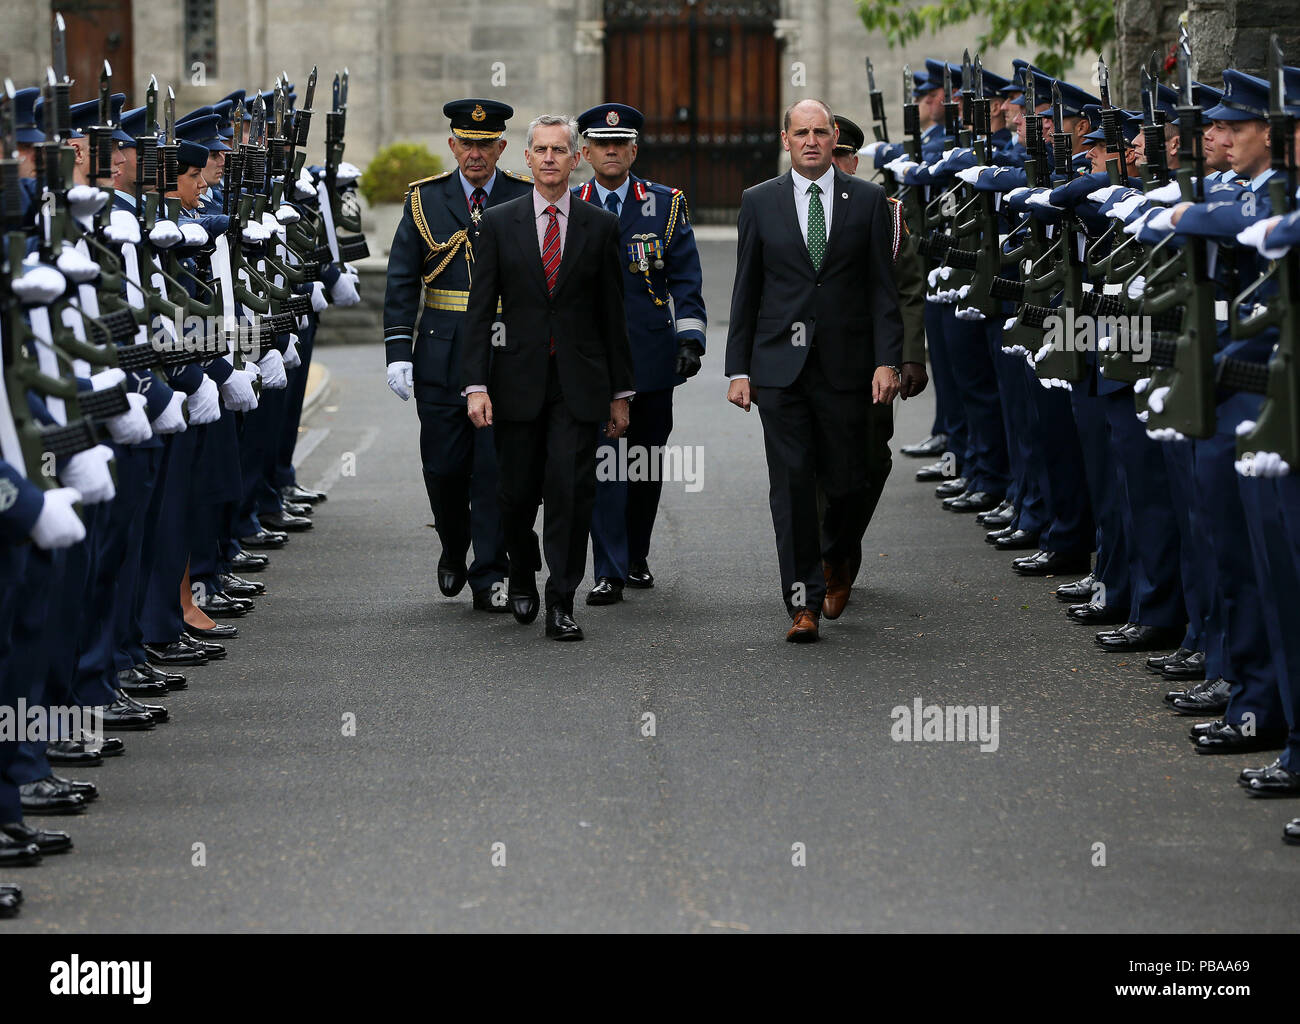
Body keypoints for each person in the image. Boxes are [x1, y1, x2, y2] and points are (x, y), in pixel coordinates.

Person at [724, 98, 903, 642]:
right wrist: (738, 369)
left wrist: (886, 359)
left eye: (820, 132)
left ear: (833, 140)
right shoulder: (760, 202)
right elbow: (746, 289)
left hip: (847, 368)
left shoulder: (869, 202)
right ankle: (801, 603)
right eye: (800, 133)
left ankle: (838, 558)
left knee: (850, 479)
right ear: (786, 140)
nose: (810, 141)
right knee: (793, 484)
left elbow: (881, 289)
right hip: (780, 368)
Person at [461, 114, 635, 640]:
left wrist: (620, 393)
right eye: (541, 150)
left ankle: (562, 598)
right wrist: (476, 385)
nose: (551, 159)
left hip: (577, 384)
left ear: (575, 157)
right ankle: (521, 572)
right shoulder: (498, 223)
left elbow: (613, 314)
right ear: (527, 158)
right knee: (515, 494)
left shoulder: (599, 226)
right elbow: (477, 312)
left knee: (570, 489)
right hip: (516, 381)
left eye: (560, 150)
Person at [384, 99, 534, 611]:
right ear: (452, 145)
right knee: (445, 468)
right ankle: (453, 545)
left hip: (501, 346)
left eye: (485, 145)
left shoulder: (522, 194)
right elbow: (403, 278)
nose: (476, 154)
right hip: (443, 349)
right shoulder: (426, 199)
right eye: (466, 144)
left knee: (494, 469)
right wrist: (397, 350)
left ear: (501, 147)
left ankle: (490, 571)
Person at [572, 102, 706, 605]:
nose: (610, 151)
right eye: (601, 144)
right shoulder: (570, 200)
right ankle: (606, 568)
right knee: (603, 461)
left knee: (645, 461)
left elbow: (686, 278)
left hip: (650, 353)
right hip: (590, 356)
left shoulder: (665, 204)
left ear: (633, 149)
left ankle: (635, 554)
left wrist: (690, 338)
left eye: (620, 143)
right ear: (584, 151)